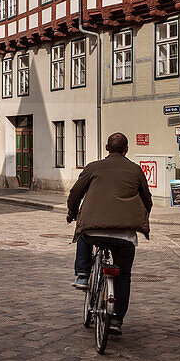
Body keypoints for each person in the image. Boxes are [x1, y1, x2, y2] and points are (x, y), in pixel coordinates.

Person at [66, 132, 153, 337]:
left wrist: (72, 213)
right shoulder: (135, 170)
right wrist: (141, 217)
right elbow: (147, 199)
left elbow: (76, 192)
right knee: (123, 276)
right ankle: (116, 320)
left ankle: (83, 275)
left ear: (106, 148)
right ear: (126, 149)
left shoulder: (94, 167)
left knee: (83, 233)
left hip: (94, 230)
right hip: (124, 234)